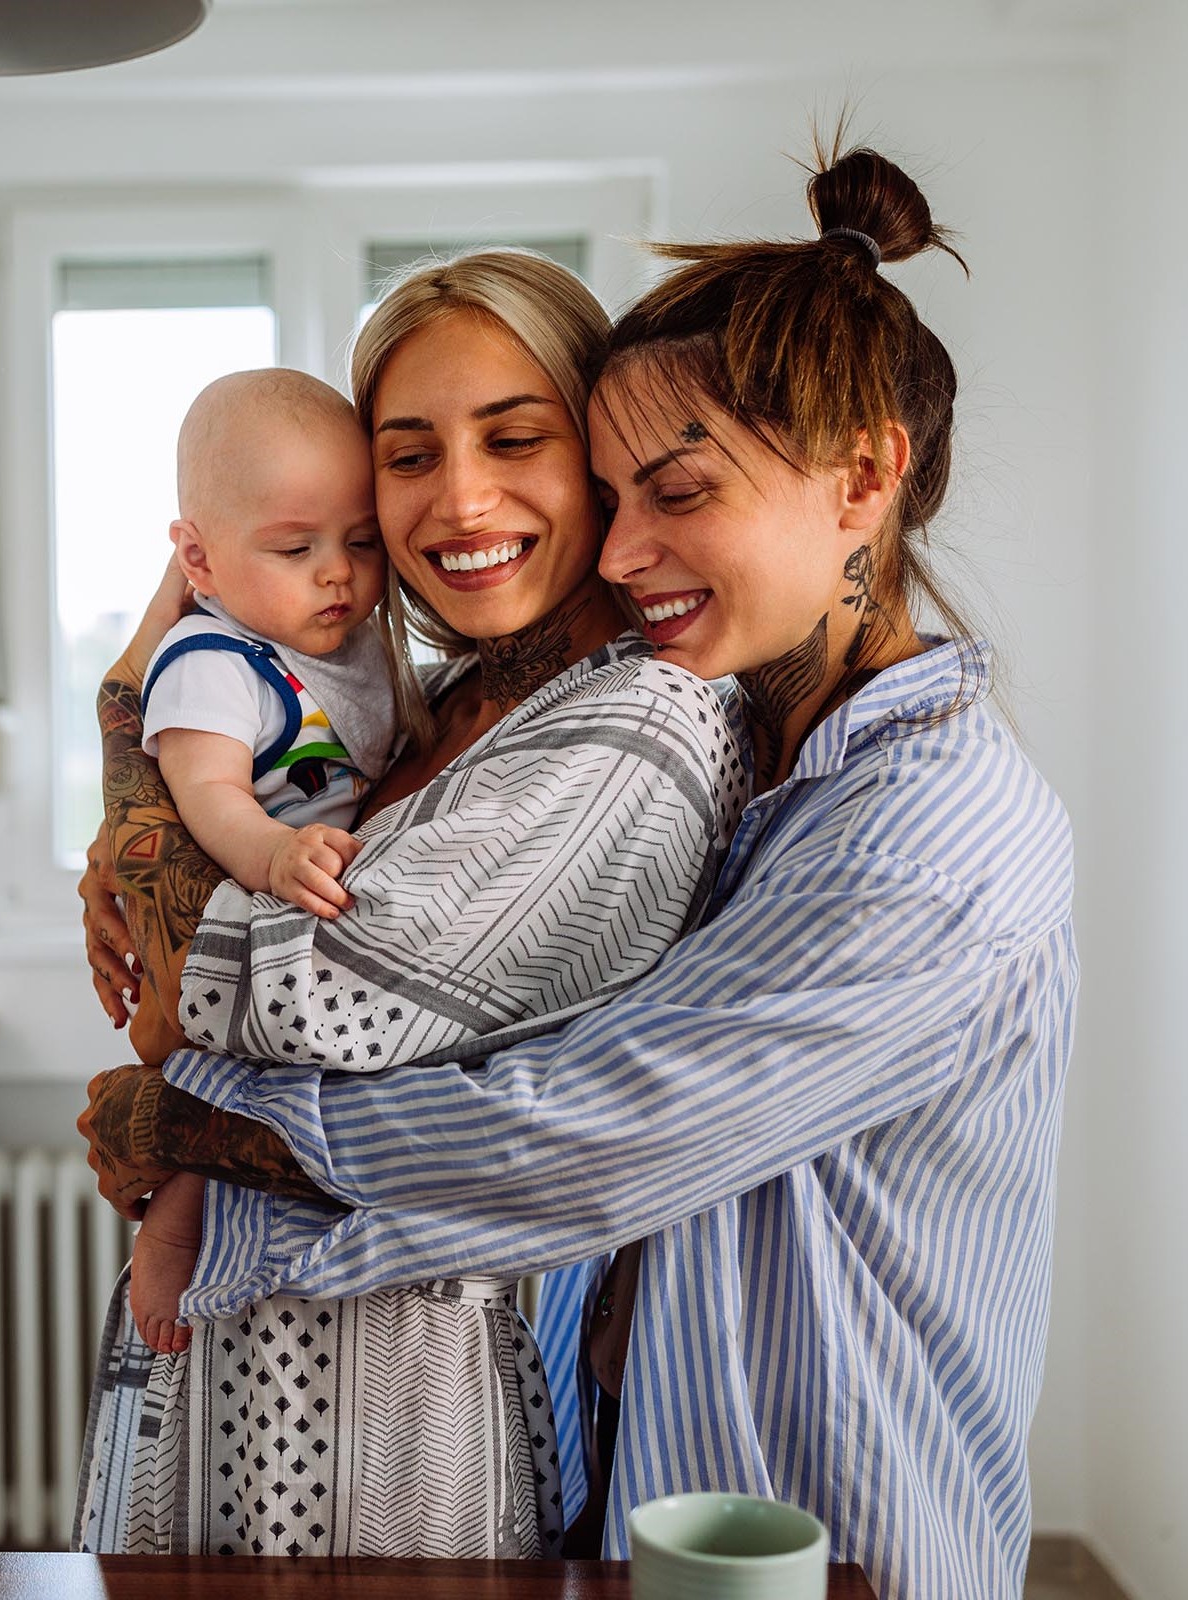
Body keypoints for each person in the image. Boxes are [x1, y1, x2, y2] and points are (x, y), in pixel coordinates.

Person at [78, 141, 1077, 1600]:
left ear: (862, 478)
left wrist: (194, 1125)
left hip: (837, 1522)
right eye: (614, 495)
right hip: (657, 1501)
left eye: (674, 492)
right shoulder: (771, 761)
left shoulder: (925, 829)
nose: (623, 546)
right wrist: (153, 782)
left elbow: (581, 1132)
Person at [76, 248, 746, 1559]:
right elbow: (202, 945)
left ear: (596, 456)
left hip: (379, 1416)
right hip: (238, 1362)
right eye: (408, 454)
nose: (459, 498)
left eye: (515, 437)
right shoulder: (429, 706)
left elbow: (282, 997)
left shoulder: (633, 724)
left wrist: (121, 729)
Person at [126, 367, 405, 1355]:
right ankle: (172, 1217)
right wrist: (274, 851)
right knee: (216, 1089)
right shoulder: (215, 660)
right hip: (243, 920)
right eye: (295, 547)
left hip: (323, 924)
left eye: (360, 541)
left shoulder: (357, 640)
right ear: (198, 558)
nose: (338, 572)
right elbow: (207, 796)